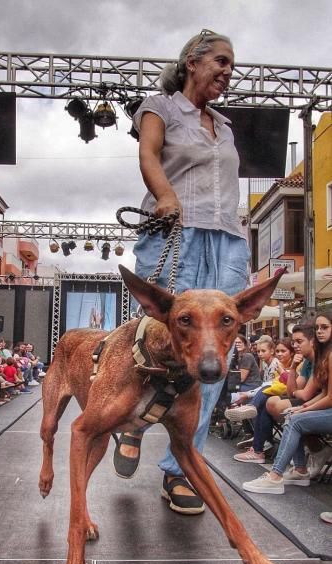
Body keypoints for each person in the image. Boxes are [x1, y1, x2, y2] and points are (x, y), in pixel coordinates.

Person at [113, 29, 251, 515]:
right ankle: (130, 420)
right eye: (220, 60)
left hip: (227, 240)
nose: (227, 71)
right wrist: (166, 195)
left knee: (215, 353)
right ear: (192, 62)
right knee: (155, 337)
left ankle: (179, 466)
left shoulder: (226, 127)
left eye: (231, 65)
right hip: (175, 232)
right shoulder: (161, 107)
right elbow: (148, 154)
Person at [242, 312, 332, 494]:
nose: (320, 332)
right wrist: (303, 406)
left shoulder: (328, 356)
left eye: (324, 327)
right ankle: (298, 469)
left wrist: (305, 407)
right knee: (290, 413)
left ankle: (275, 475)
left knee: (294, 418)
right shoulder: (322, 357)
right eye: (317, 328)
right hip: (323, 406)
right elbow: (319, 393)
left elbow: (326, 397)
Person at [232, 338, 294, 464]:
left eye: (283, 351)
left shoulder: (279, 365)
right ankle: (259, 447)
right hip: (273, 394)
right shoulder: (273, 364)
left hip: (285, 397)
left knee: (260, 398)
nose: (280, 354)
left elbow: (274, 386)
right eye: (278, 351)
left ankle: (259, 443)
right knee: (263, 407)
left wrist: (248, 394)